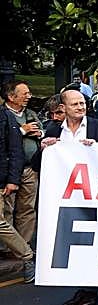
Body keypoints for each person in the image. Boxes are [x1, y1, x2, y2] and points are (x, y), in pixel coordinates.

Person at [41, 89, 98, 305]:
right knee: (75, 244)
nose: (80, 107)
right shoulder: (55, 129)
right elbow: (40, 164)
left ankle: (91, 291)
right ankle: (81, 288)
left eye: (82, 103)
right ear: (63, 108)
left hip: (95, 196)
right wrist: (44, 148)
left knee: (94, 242)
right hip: (67, 198)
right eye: (74, 104)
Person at [3, 80, 41, 250]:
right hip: (9, 170)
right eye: (24, 93)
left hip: (29, 169)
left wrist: (40, 133)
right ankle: (6, 247)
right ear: (11, 96)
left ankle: (23, 246)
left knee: (27, 209)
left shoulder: (31, 114)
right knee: (7, 209)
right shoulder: (3, 115)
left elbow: (43, 130)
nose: (29, 96)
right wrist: (22, 131)